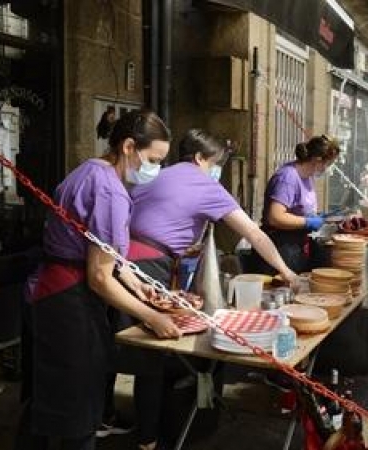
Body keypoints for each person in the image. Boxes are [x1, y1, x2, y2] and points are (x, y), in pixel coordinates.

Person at [15, 110, 180, 450]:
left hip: (47, 291)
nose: (155, 170)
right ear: (129, 146)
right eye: (153, 160)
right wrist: (152, 316)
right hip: (67, 299)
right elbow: (100, 277)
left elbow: (103, 253)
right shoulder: (110, 192)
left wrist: (135, 281)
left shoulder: (87, 169)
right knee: (80, 401)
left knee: (48, 390)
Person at [127, 129, 299, 450]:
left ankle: (131, 425)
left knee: (137, 348)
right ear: (199, 159)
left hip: (124, 260)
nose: (216, 170)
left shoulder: (161, 175)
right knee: (153, 351)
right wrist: (286, 271)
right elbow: (255, 235)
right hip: (152, 266)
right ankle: (150, 439)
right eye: (215, 163)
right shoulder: (205, 184)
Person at [255, 135, 340, 274]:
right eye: (328, 164)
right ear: (317, 161)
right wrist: (307, 222)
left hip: (297, 243)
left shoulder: (308, 177)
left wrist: (315, 216)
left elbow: (300, 209)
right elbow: (275, 217)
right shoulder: (287, 178)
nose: (327, 168)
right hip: (280, 246)